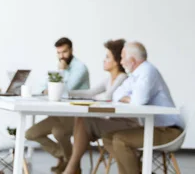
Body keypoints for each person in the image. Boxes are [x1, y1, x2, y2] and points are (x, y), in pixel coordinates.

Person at [64, 42, 183, 174]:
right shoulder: (135, 74)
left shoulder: (147, 71)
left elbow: (139, 101)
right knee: (109, 137)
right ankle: (137, 169)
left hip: (168, 131)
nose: (121, 61)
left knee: (120, 140)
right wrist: (128, 98)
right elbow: (116, 94)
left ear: (132, 60)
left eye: (122, 57)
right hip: (151, 128)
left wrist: (128, 98)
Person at [62, 39, 128, 174]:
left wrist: (93, 98)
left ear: (116, 61)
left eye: (107, 57)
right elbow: (90, 92)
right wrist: (65, 92)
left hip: (125, 124)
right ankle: (72, 168)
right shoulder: (109, 79)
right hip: (112, 122)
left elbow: (108, 97)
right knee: (81, 119)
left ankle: (71, 168)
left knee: (84, 120)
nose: (104, 60)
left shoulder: (122, 78)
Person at [25, 37, 90, 173]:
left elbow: (65, 91)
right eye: (59, 53)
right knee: (31, 134)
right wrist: (45, 89)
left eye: (64, 52)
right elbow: (43, 87)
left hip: (76, 116)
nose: (62, 56)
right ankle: (67, 157)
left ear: (71, 50)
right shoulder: (60, 65)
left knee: (58, 131)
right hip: (59, 113)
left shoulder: (80, 68)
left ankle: (70, 164)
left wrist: (61, 72)